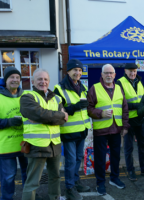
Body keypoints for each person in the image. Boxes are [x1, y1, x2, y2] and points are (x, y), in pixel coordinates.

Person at [20, 68, 68, 200]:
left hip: (55, 144)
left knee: (55, 176)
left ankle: (55, 197)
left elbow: (62, 120)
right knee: (33, 181)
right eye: (39, 79)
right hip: (36, 145)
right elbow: (38, 114)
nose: (43, 82)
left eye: (45, 79)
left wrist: (45, 116)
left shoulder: (57, 98)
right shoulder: (27, 97)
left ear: (49, 81)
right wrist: (57, 116)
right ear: (33, 81)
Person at [87, 64, 130, 196]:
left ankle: (114, 178)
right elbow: (88, 108)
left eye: (111, 73)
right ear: (101, 74)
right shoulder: (95, 88)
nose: (109, 75)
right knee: (100, 158)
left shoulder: (119, 89)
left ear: (115, 75)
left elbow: (124, 109)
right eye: (106, 73)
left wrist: (125, 126)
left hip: (116, 129)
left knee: (116, 156)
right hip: (101, 129)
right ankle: (100, 182)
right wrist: (100, 113)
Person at [54, 59, 91, 200]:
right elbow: (58, 111)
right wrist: (74, 107)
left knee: (78, 158)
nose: (78, 72)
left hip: (82, 129)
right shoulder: (59, 88)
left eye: (80, 70)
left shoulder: (82, 87)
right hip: (69, 131)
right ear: (68, 71)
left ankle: (75, 181)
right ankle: (69, 188)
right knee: (71, 160)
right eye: (75, 70)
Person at [116, 63, 144, 181]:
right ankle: (130, 170)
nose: (133, 73)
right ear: (125, 71)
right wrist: (138, 106)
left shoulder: (139, 82)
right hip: (128, 120)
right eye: (130, 71)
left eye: (134, 71)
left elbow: (143, 100)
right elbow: (120, 103)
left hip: (140, 118)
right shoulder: (120, 82)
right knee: (128, 147)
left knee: (142, 145)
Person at [0, 67, 28, 200]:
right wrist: (8, 122)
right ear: (5, 80)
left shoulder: (26, 96)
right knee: (8, 177)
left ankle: (28, 197)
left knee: (28, 175)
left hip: (26, 144)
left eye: (17, 77)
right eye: (12, 77)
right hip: (6, 146)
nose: (15, 80)